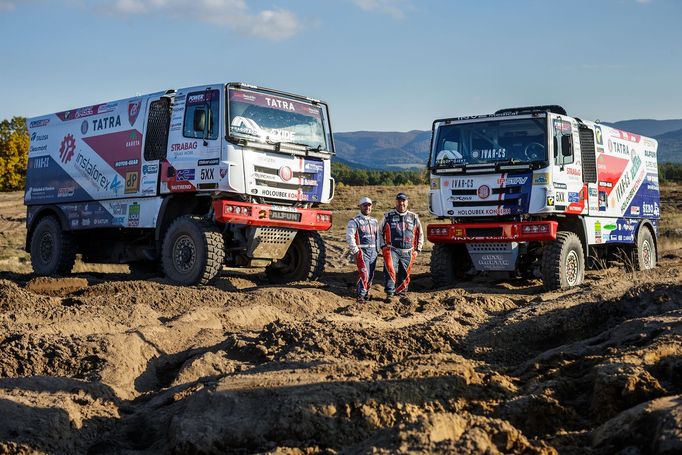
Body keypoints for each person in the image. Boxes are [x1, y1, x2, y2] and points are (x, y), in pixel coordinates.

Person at [380, 192, 424, 301]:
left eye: (404, 201)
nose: (401, 203)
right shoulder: (388, 216)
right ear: (396, 202)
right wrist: (382, 246)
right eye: (399, 201)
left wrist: (418, 249)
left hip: (408, 250)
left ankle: (402, 293)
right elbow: (379, 232)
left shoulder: (414, 217)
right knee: (390, 269)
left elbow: (420, 233)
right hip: (392, 249)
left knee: (405, 272)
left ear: (407, 202)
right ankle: (389, 293)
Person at [346, 196, 380, 303]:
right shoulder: (354, 221)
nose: (367, 207)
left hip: (373, 251)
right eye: (365, 205)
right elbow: (349, 237)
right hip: (362, 251)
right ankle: (360, 295)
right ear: (360, 206)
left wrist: (378, 249)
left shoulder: (374, 221)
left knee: (370, 275)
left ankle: (366, 293)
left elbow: (378, 236)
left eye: (369, 205)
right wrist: (355, 250)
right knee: (364, 273)